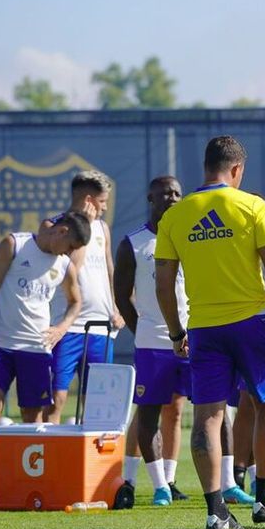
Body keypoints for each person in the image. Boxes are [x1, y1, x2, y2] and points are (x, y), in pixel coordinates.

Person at [155, 135, 265, 529]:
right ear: (236, 169)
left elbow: (163, 283)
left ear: (205, 168)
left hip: (203, 327)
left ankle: (215, 511)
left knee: (207, 414)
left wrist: (176, 332)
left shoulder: (176, 215)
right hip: (252, 322)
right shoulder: (252, 205)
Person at [0, 213, 90, 503]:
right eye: (70, 245)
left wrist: (60, 328)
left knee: (32, 420)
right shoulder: (14, 245)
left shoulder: (63, 265)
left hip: (36, 350)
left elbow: (76, 301)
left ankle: (25, 486)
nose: (71, 253)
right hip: (1, 346)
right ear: (61, 232)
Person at [114, 176, 191, 506]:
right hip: (151, 344)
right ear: (150, 197)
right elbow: (121, 297)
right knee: (147, 414)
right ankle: (154, 484)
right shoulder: (133, 243)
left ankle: (170, 481)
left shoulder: (191, 239)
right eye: (164, 194)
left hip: (190, 341)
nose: (171, 198)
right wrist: (142, 328)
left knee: (176, 412)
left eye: (176, 193)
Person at [44, 171, 123, 425]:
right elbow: (71, 270)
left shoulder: (103, 228)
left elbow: (109, 269)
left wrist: (117, 307)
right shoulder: (55, 227)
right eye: (102, 202)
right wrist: (84, 228)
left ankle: (88, 463)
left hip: (101, 328)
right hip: (67, 326)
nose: (105, 207)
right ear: (88, 200)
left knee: (97, 403)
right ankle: (52, 459)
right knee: (57, 398)